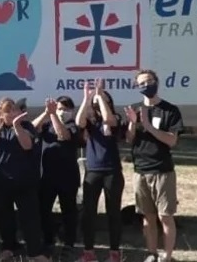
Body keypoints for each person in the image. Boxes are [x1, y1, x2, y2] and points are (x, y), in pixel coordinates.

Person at [124, 69, 183, 262]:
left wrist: (148, 126)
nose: (146, 85)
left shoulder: (170, 110)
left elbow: (171, 141)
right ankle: (152, 254)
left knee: (165, 216)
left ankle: (167, 256)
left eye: (148, 81)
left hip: (163, 170)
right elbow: (129, 140)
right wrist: (133, 124)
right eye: (141, 83)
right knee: (147, 217)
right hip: (141, 171)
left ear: (156, 82)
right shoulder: (135, 109)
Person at [0, 97, 49, 262]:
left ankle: (34, 252)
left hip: (25, 182)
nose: (12, 113)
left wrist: (16, 126)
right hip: (1, 181)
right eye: (8, 110)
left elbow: (27, 145)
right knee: (4, 217)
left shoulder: (26, 126)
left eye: (14, 110)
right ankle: (8, 247)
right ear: (1, 114)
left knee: (30, 218)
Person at [74, 80, 125, 262]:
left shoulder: (116, 118)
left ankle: (114, 253)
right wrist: (87, 99)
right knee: (89, 213)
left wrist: (100, 95)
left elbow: (109, 119)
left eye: (100, 102)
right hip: (93, 171)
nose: (96, 106)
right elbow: (79, 121)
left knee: (113, 212)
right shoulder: (90, 123)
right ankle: (89, 253)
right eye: (95, 104)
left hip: (112, 171)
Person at [31, 96, 80, 259]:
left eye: (66, 109)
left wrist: (53, 115)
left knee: (69, 211)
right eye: (59, 108)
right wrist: (46, 113)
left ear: (72, 111)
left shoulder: (74, 126)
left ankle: (69, 244)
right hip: (47, 176)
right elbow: (31, 128)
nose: (62, 112)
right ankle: (48, 241)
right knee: (43, 210)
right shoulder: (47, 125)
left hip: (68, 177)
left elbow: (62, 135)